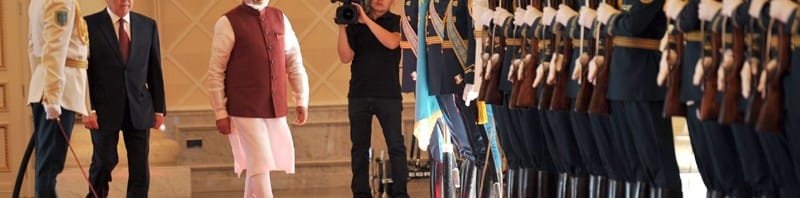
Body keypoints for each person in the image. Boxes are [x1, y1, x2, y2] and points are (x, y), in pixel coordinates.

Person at [206, 0, 310, 197]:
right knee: (260, 160)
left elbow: (294, 62)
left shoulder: (281, 18)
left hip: (275, 106)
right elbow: (216, 71)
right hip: (244, 108)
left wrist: (301, 99)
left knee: (257, 163)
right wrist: (220, 111)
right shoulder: (228, 22)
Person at [83, 0, 166, 196]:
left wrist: (159, 109)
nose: (126, 0)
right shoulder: (88, 24)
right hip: (103, 110)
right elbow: (83, 72)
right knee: (104, 161)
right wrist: (87, 108)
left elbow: (155, 70)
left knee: (139, 168)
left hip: (139, 107)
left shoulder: (148, 25)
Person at [336, 0, 408, 197]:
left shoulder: (397, 21)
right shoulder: (354, 24)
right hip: (359, 94)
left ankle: (400, 192)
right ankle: (361, 193)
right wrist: (343, 26)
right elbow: (345, 56)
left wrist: (366, 19)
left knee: (396, 145)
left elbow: (392, 43)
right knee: (359, 148)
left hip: (389, 94)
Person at [27, 0, 90, 196]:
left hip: (48, 87)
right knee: (49, 167)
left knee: (46, 164)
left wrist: (41, 84)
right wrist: (53, 96)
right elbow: (55, 47)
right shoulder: (61, 1)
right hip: (60, 93)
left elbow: (32, 47)